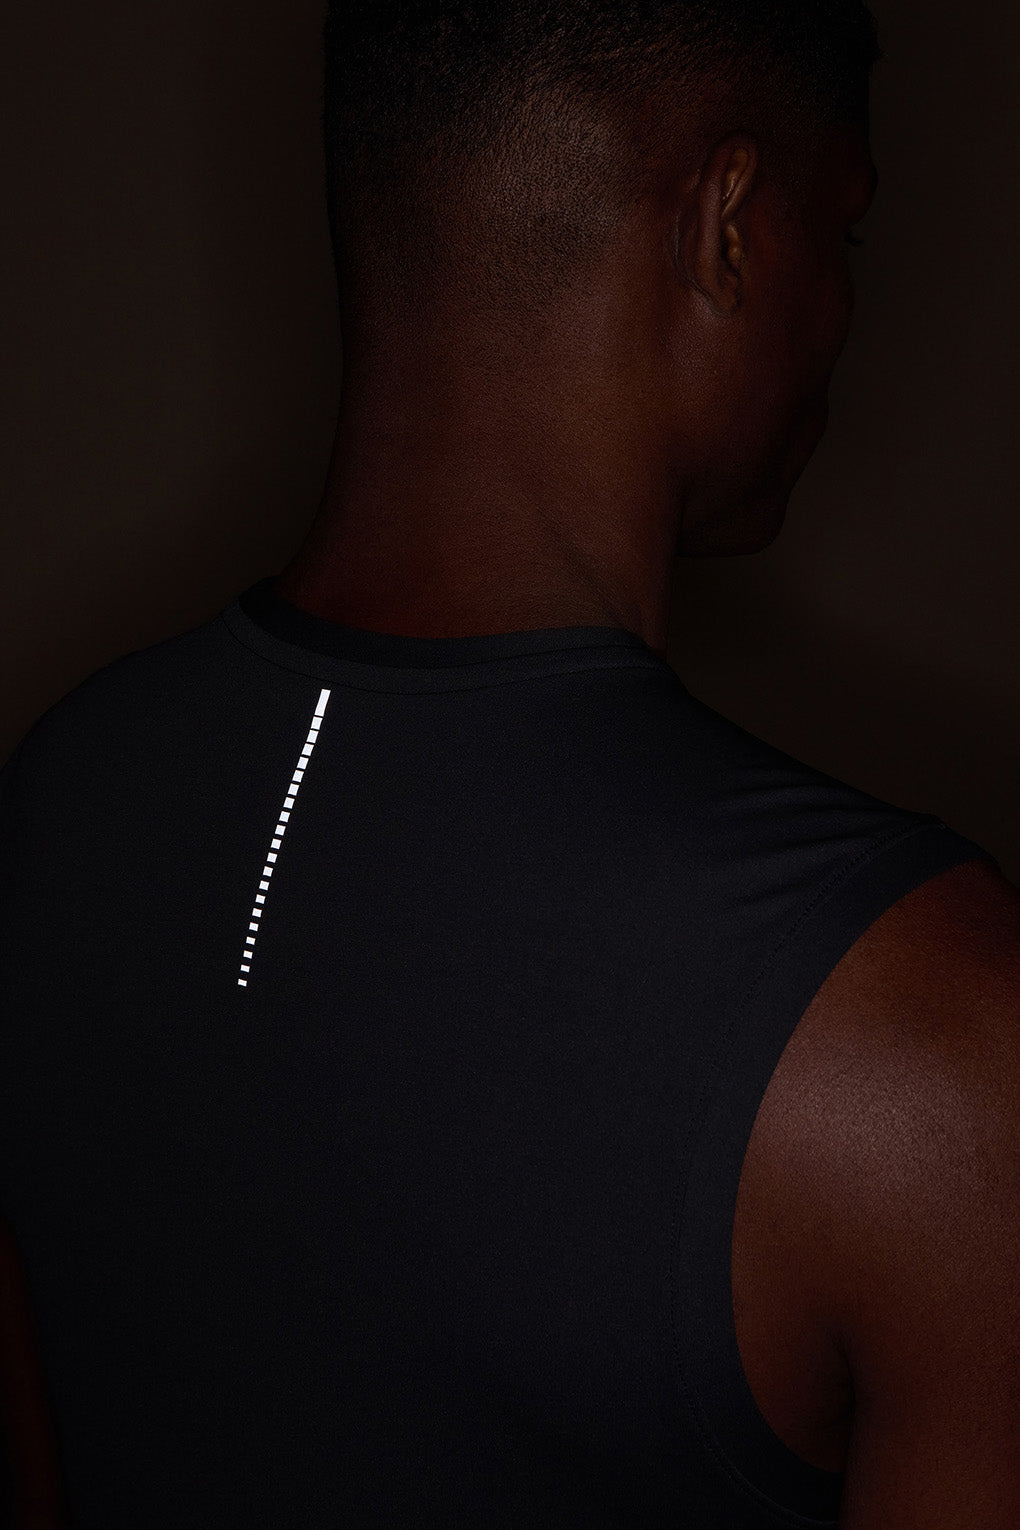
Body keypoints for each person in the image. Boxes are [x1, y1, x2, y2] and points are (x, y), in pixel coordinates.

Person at [1, 1, 1018, 1525]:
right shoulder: (924, 1041)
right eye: (846, 234)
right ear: (728, 223)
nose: (844, 309)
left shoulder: (53, 803)